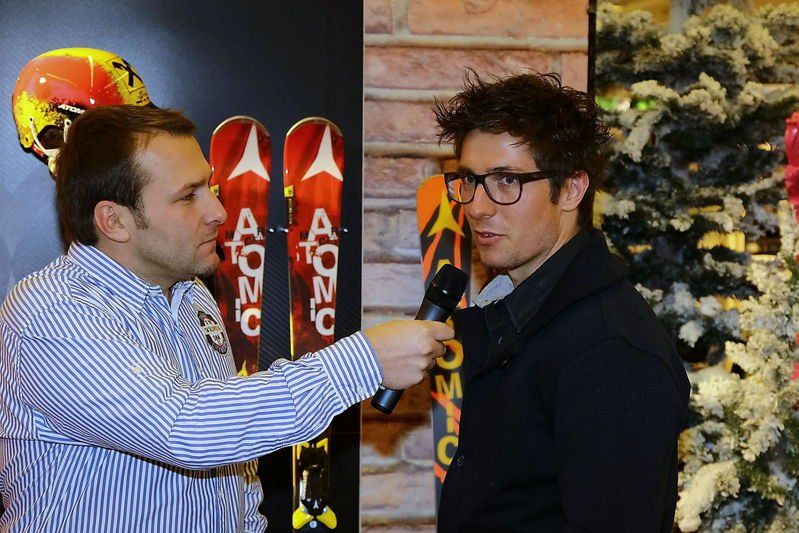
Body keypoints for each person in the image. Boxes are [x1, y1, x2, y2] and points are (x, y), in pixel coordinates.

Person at [0, 105, 452, 532]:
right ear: (114, 221)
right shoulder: (52, 311)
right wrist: (366, 360)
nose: (218, 212)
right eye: (187, 196)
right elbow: (188, 430)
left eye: (209, 187)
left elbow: (232, 463)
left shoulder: (191, 295)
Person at [434, 71, 691, 532]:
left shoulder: (610, 349)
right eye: (469, 179)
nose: (476, 206)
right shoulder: (520, 314)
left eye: (507, 180)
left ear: (571, 189)